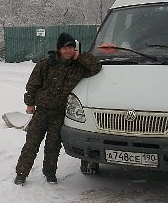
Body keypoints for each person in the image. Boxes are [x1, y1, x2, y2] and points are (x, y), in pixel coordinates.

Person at [14, 32, 102, 185]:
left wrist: (79, 57)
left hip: (59, 113)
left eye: (71, 48)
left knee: (53, 146)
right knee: (31, 144)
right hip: (42, 111)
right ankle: (21, 173)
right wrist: (30, 103)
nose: (68, 51)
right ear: (59, 49)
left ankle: (49, 173)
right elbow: (32, 84)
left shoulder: (78, 67)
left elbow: (96, 67)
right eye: (65, 48)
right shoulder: (46, 64)